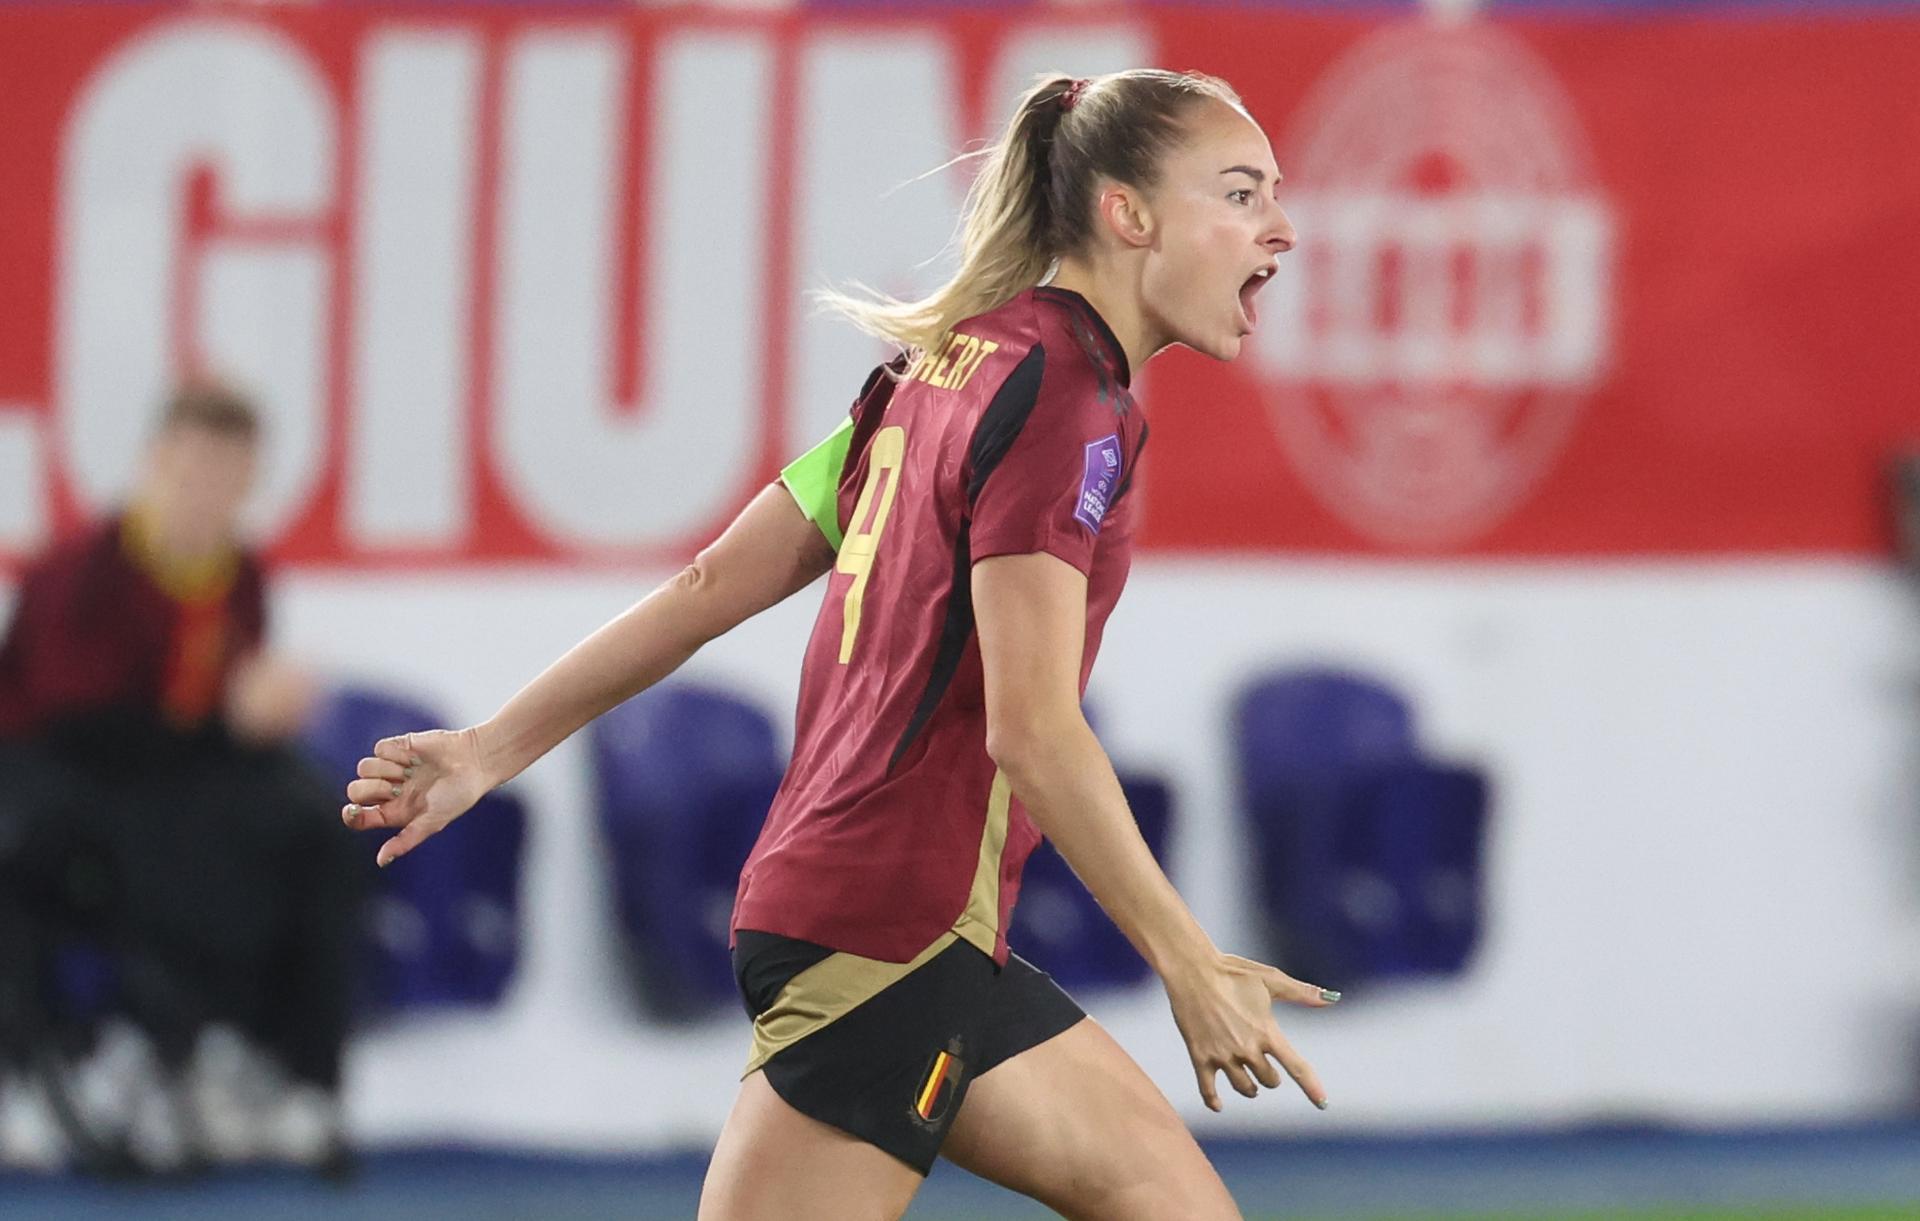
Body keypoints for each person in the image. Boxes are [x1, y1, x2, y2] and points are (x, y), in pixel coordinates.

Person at [341, 69, 1335, 1219]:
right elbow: (1034, 730)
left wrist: (489, 748)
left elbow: (712, 580)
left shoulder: (942, 370)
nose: (1281, 226)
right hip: (889, 937)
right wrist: (1187, 959)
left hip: (899, 928)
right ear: (1129, 213)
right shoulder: (1071, 404)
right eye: (1240, 191)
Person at [0, 382, 357, 1172]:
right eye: (195, 468)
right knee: (167, 842)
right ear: (156, 464)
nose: (209, 490)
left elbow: (215, 725)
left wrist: (262, 715)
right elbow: (72, 716)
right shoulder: (85, 569)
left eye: (230, 473)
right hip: (55, 774)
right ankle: (152, 1049)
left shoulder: (242, 578)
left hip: (176, 771)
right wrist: (227, 713)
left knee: (318, 824)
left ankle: (293, 1077)